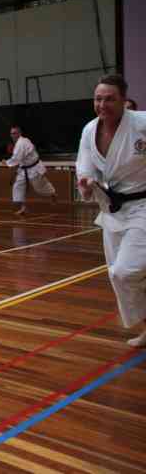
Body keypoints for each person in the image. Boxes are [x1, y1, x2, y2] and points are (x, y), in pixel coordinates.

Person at [76, 74, 146, 348]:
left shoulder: (141, 124)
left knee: (125, 272)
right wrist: (86, 182)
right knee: (117, 275)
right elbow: (85, 167)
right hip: (112, 208)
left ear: (123, 100)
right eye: (98, 99)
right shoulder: (89, 130)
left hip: (143, 205)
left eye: (109, 99)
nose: (102, 104)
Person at [4, 126, 57, 215]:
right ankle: (23, 207)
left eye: (14, 133)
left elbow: (16, 158)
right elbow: (22, 158)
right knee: (17, 186)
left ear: (19, 133)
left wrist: (6, 162)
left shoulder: (21, 143)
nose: (12, 135)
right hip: (24, 169)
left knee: (39, 188)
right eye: (11, 133)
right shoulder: (20, 142)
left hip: (34, 168)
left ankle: (53, 194)